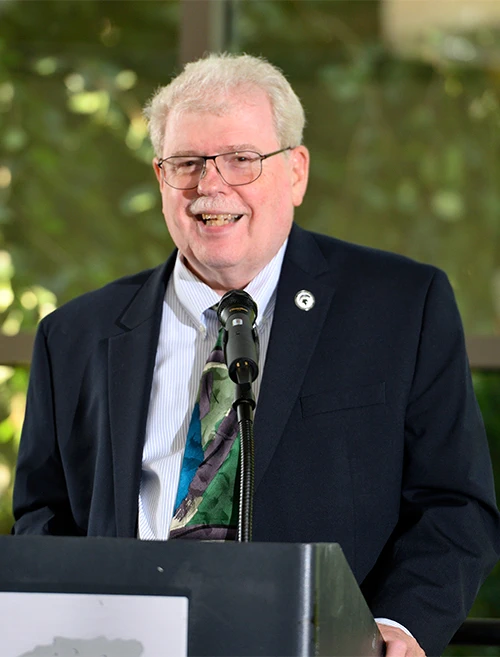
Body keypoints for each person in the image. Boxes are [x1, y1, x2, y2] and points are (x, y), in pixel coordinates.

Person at [12, 53, 499, 656]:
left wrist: (399, 627)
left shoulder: (401, 307)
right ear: (161, 178)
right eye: (187, 163)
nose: (210, 186)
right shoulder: (73, 337)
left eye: (242, 159)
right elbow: (44, 517)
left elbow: (455, 505)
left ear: (295, 172)